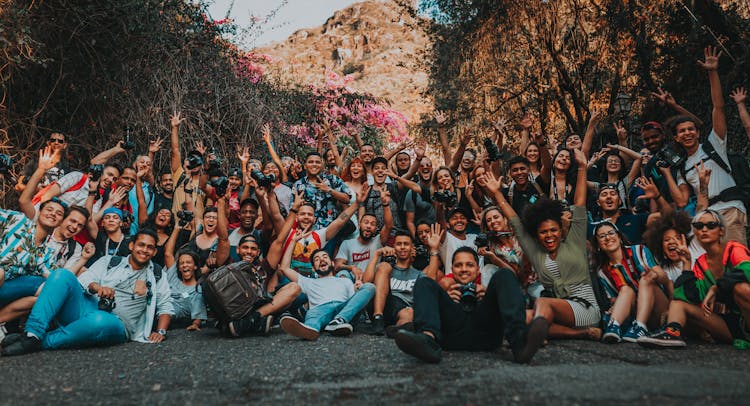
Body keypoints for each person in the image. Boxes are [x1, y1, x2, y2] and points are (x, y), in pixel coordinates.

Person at [481, 149, 603, 341]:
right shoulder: (537, 253)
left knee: (543, 304)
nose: (549, 235)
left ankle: (532, 340)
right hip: (557, 313)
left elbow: (580, 204)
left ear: (561, 231)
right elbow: (515, 222)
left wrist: (581, 168)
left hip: (584, 308)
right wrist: (497, 194)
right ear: (537, 235)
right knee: (517, 318)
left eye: (553, 230)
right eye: (543, 232)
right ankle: (582, 334)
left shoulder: (574, 242)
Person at [0, 229, 173, 356]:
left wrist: (161, 332)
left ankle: (39, 342)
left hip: (117, 324)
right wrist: (97, 288)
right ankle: (33, 333)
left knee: (99, 321)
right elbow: (83, 279)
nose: (144, 250)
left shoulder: (157, 274)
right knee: (63, 275)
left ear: (154, 252)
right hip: (87, 307)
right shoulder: (109, 261)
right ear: (131, 245)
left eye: (150, 247)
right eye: (141, 245)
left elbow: (166, 305)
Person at [392, 247, 546, 364]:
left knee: (504, 274)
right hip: (452, 336)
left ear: (477, 269)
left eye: (469, 265)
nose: (464, 269)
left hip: (485, 336)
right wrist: (445, 298)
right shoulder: (447, 289)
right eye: (459, 265)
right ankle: (428, 342)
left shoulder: (484, 290)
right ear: (452, 269)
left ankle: (520, 345)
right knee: (424, 281)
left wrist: (489, 299)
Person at [666, 46, 746, 244]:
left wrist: (712, 72)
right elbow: (682, 201)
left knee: (737, 265)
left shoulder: (713, 145)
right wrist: (668, 173)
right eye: (682, 131)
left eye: (691, 129)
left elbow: (718, 107)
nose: (687, 133)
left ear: (698, 132)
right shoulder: (682, 168)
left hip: (730, 210)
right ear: (676, 138)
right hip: (705, 221)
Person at [639, 209, 750, 348]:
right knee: (678, 304)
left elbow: (747, 270)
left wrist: (716, 287)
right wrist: (686, 263)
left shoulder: (734, 249)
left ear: (721, 231)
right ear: (695, 232)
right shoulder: (700, 264)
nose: (704, 229)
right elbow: (686, 297)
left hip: (746, 315)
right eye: (699, 226)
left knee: (741, 288)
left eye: (711, 225)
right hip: (730, 326)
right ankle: (672, 333)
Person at [276, 231, 376, 339]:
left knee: (369, 287)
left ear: (332, 263)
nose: (322, 259)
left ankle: (339, 321)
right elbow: (284, 268)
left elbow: (353, 303)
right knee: (313, 316)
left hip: (343, 309)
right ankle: (309, 329)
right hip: (320, 309)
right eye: (317, 259)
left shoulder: (345, 281)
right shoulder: (308, 282)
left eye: (325, 257)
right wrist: (293, 241)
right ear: (314, 268)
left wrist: (358, 289)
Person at [592, 221, 671, 343]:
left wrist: (654, 275)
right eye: (602, 236)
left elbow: (664, 278)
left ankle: (640, 326)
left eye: (611, 233)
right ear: (598, 244)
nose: (607, 238)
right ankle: (614, 327)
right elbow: (614, 299)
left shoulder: (639, 250)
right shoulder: (602, 271)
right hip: (634, 312)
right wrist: (613, 307)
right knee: (626, 289)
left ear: (619, 236)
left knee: (646, 280)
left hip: (659, 309)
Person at [362, 230, 441, 336]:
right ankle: (378, 318)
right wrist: (376, 255)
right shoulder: (385, 269)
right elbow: (365, 282)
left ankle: (399, 330)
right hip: (383, 305)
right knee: (384, 266)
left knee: (409, 313)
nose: (402, 247)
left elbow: (430, 280)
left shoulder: (417, 274)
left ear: (412, 248)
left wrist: (434, 249)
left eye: (406, 244)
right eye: (399, 244)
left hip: (403, 309)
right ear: (394, 247)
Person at [335, 211, 392, 283]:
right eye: (366, 222)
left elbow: (389, 226)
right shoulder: (347, 243)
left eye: (372, 224)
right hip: (353, 280)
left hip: (371, 281)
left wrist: (385, 205)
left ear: (375, 229)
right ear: (359, 225)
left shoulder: (378, 241)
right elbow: (337, 266)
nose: (369, 226)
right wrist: (351, 267)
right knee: (342, 273)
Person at [167, 250, 206, 331]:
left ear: (195, 267)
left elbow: (198, 314)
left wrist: (195, 325)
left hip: (166, 320)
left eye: (188, 262)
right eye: (181, 263)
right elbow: (168, 253)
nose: (184, 265)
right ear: (179, 268)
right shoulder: (173, 277)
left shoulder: (197, 290)